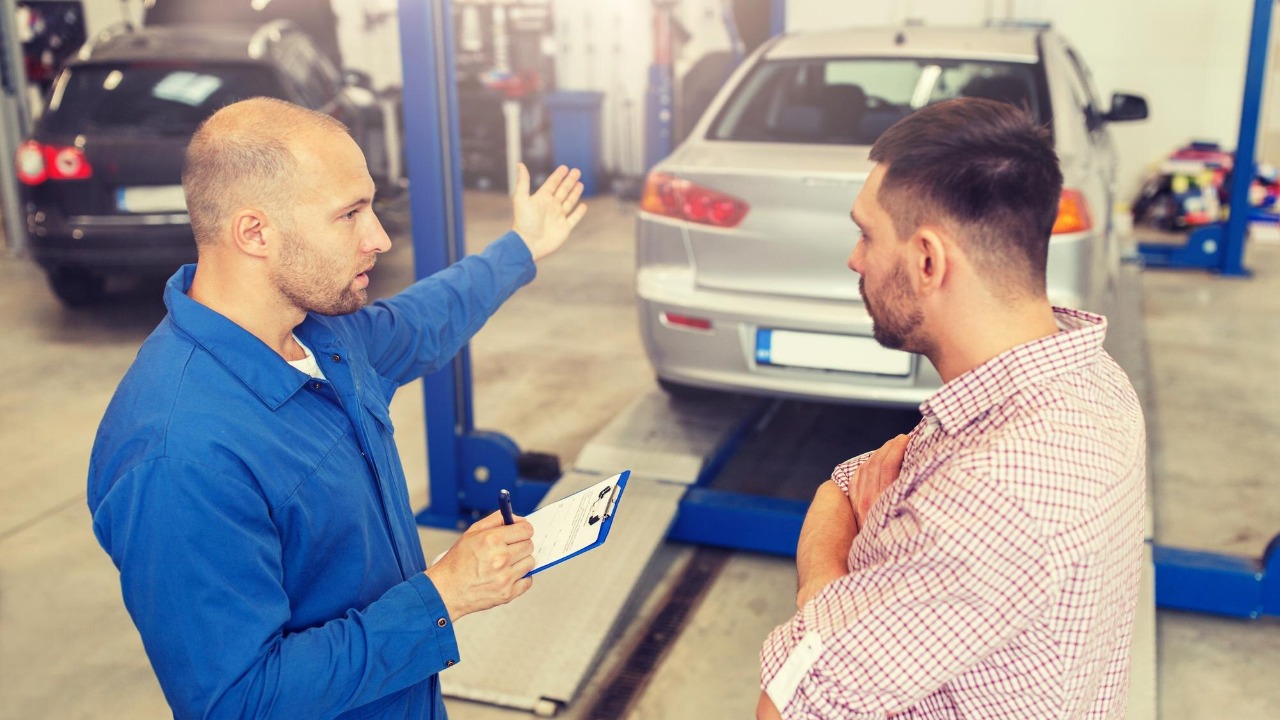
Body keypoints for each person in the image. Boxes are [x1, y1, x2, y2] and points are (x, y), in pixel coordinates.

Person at [86, 97, 587, 719]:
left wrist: (520, 250)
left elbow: (422, 321)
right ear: (255, 232)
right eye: (349, 214)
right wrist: (443, 595)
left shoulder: (322, 333)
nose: (378, 237)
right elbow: (238, 703)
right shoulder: (178, 452)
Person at [757, 98, 1146, 719]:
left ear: (929, 261)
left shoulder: (991, 493)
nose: (855, 259)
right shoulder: (1091, 379)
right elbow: (843, 487)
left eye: (866, 234)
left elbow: (786, 707)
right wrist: (853, 586)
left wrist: (826, 587)